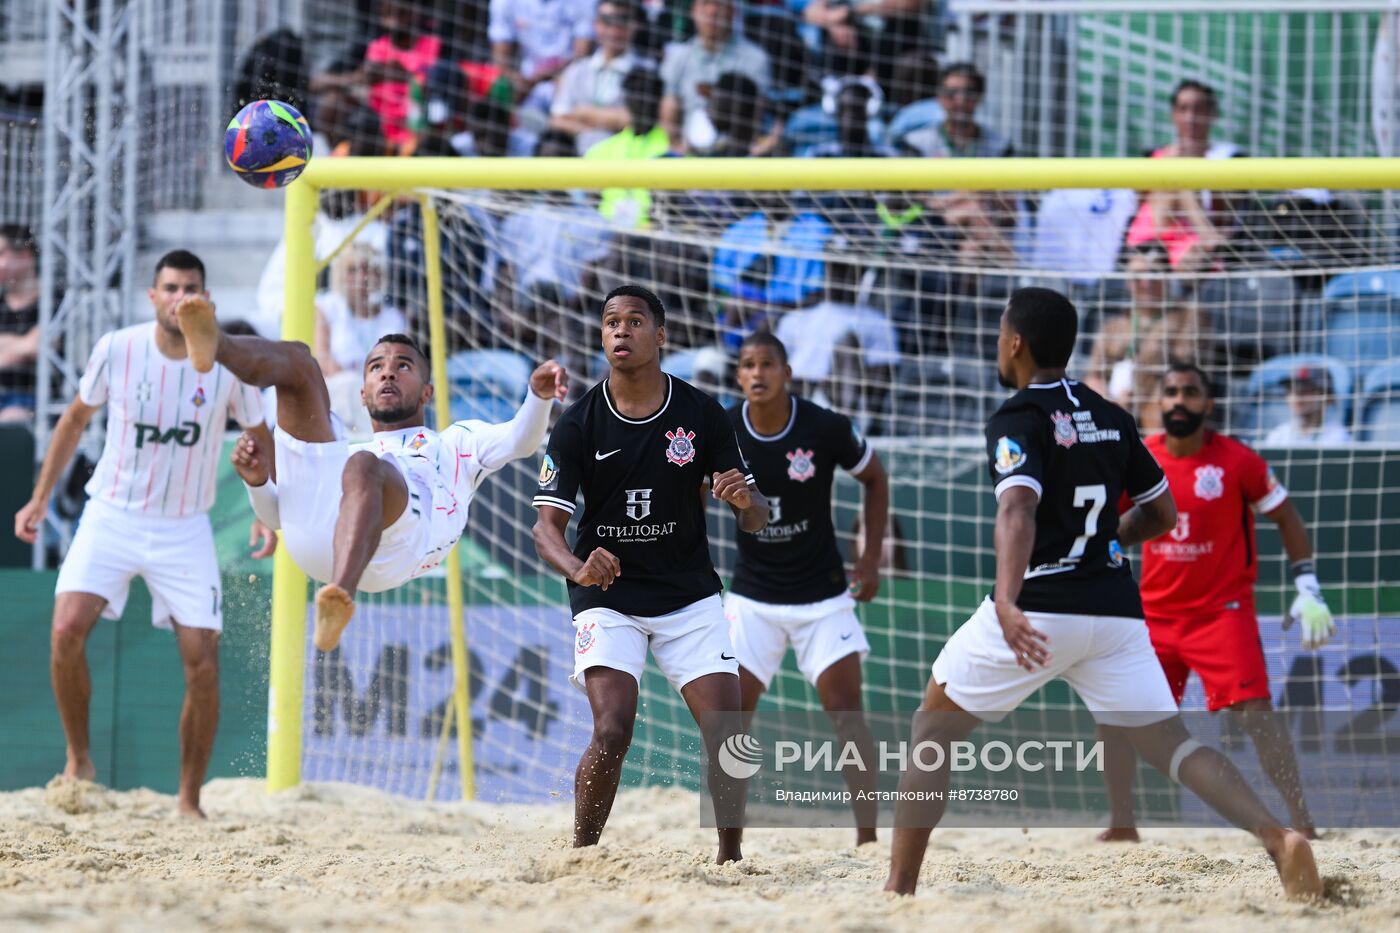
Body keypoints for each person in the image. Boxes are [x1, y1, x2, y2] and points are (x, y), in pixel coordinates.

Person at [883, 287, 1321, 901]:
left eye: (1001, 336)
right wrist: (1108, 540)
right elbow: (1162, 513)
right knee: (1175, 744)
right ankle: (1279, 839)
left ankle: (899, 889)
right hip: (1115, 611)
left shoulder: (1018, 417)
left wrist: (1007, 599)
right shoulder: (1111, 415)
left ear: (1015, 344)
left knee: (932, 730)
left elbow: (1017, 509)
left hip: (1040, 606)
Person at [12, 250, 275, 818]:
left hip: (185, 526)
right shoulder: (118, 348)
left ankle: (188, 800)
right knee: (64, 631)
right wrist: (38, 498)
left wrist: (265, 510)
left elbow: (259, 434)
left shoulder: (225, 364)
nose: (182, 298)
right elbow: (74, 419)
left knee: (202, 659)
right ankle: (79, 760)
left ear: (207, 301)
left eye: (192, 289)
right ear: (153, 296)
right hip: (112, 513)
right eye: (171, 287)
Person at [175, 300, 567, 653]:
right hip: (318, 542)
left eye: (403, 366)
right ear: (362, 393)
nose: (388, 374)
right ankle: (215, 345)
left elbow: (521, 438)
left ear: (427, 392)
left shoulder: (456, 442)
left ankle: (338, 600)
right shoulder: (345, 452)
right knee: (299, 360)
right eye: (376, 367)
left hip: (398, 551)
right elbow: (277, 517)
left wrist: (538, 397)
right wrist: (256, 481)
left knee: (364, 468)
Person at [531, 284, 768, 863]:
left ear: (660, 336)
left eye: (635, 321)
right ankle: (583, 855)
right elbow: (545, 531)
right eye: (612, 321)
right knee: (613, 730)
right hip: (608, 595)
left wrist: (745, 503)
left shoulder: (700, 412)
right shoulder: (578, 422)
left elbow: (757, 516)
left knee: (728, 735)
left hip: (688, 596)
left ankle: (730, 860)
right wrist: (579, 567)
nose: (621, 331)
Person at [1097, 363, 1334, 842]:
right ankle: (1122, 822)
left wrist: (1307, 583)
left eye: (1190, 392)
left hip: (1220, 614)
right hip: (1154, 617)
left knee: (1257, 715)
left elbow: (1287, 518)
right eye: (1170, 392)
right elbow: (1110, 526)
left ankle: (1301, 818)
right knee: (1114, 716)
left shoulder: (1238, 461)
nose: (1179, 400)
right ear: (1158, 403)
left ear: (1208, 403)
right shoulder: (1141, 458)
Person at [726, 332, 889, 845]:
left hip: (823, 596)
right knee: (732, 721)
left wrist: (868, 557)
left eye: (767, 364)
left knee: (848, 719)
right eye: (748, 365)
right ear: (738, 376)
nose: (758, 374)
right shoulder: (724, 428)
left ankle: (868, 840)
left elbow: (876, 479)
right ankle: (730, 843)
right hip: (752, 598)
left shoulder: (823, 426)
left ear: (787, 372)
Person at [1125, 80, 1242, 271]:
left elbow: (1229, 211)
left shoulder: (1228, 158)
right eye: (1183, 109)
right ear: (1173, 115)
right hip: (1154, 240)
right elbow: (1141, 205)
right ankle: (1205, 236)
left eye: (1199, 109)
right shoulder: (1156, 156)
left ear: (1213, 114)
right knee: (1144, 270)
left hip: (1193, 249)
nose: (1190, 118)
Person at [658, 0, 771, 153]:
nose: (712, 11)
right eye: (705, 3)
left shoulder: (755, 58)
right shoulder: (678, 57)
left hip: (736, 151)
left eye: (719, 4)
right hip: (687, 152)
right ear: (693, 11)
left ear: (733, 12)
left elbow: (757, 114)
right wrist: (676, 146)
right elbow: (669, 107)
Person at [549, 0, 639, 155]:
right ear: (596, 24)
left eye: (622, 22)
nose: (614, 30)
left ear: (634, 26)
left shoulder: (645, 72)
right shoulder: (576, 70)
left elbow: (633, 122)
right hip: (578, 157)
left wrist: (583, 113)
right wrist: (605, 126)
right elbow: (558, 119)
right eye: (607, 21)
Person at [0, 224, 42, 422]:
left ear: (25, 255)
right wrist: (19, 344)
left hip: (34, 400)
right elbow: (24, 347)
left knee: (11, 420)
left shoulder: (53, 301)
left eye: (1, 254)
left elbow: (35, 346)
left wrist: (19, 347)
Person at [1264, 366, 1353, 446]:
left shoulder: (1338, 437)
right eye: (1290, 390)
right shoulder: (1279, 435)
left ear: (1328, 398)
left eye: (1305, 391)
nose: (1296, 397)